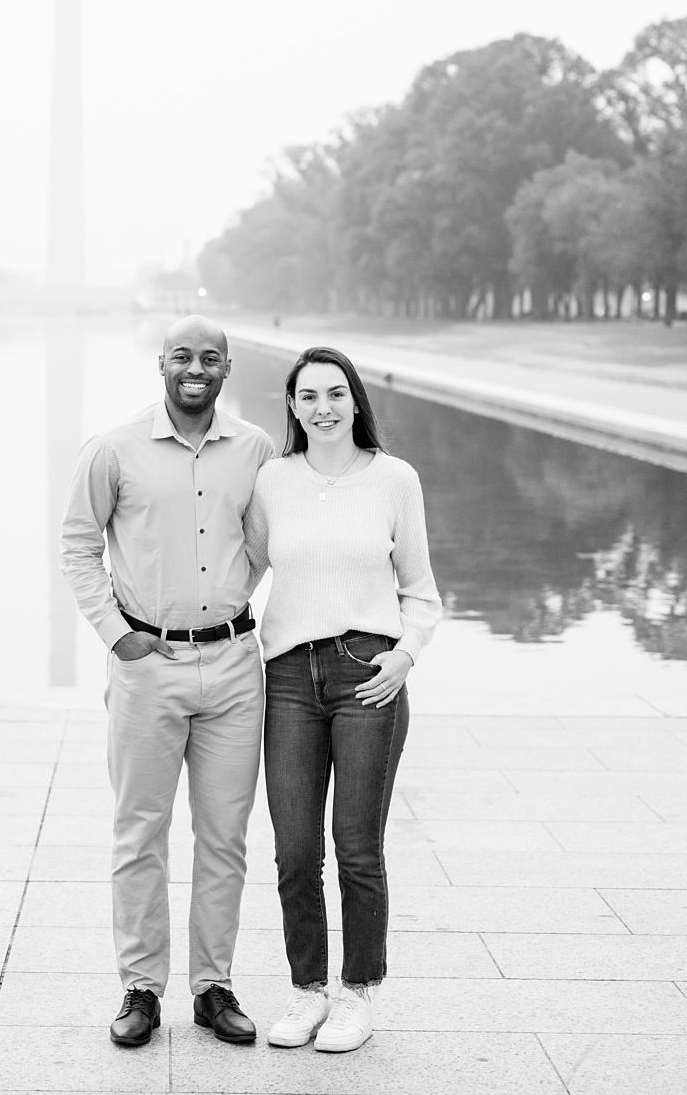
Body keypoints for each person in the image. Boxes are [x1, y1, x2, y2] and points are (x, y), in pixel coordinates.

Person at [60, 315, 275, 1051]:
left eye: (209, 358)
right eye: (182, 356)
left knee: (224, 838)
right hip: (147, 665)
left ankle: (212, 987)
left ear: (225, 367)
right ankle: (141, 988)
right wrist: (117, 634)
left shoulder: (256, 449)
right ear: (160, 364)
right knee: (139, 832)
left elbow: (275, 541)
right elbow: (78, 548)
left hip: (236, 667)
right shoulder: (113, 450)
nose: (195, 368)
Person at [246, 347, 440, 1054]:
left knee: (356, 847)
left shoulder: (396, 480)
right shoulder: (273, 480)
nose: (322, 407)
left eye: (334, 393)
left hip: (368, 674)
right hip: (289, 680)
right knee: (295, 851)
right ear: (292, 408)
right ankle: (307, 992)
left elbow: (422, 591)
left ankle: (357, 993)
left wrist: (404, 655)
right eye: (307, 397)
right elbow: (240, 574)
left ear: (356, 400)